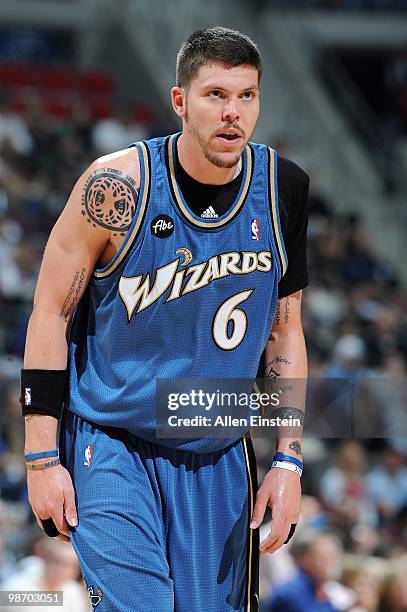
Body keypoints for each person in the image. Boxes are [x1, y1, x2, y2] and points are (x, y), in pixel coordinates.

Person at [21, 27, 309, 611]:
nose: (233, 113)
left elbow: (285, 329)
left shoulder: (283, 189)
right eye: (215, 95)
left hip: (218, 445)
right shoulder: (115, 186)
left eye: (247, 96)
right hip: (114, 437)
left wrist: (288, 458)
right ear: (179, 101)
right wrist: (41, 457)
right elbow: (50, 311)